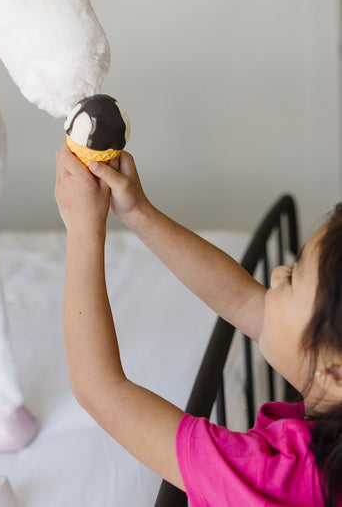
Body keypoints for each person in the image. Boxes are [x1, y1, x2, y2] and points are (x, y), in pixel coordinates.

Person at [55, 143, 342, 506]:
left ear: (334, 374)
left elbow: (99, 388)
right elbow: (241, 300)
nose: (277, 271)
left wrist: (82, 230)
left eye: (294, 279)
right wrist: (138, 211)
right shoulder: (328, 394)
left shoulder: (273, 476)